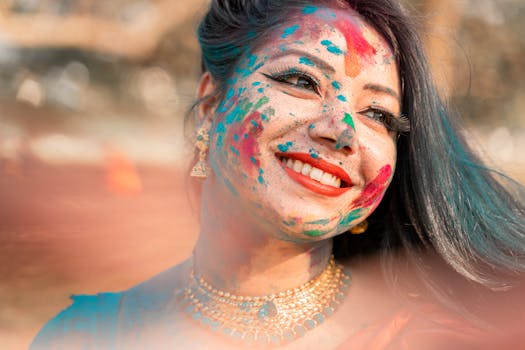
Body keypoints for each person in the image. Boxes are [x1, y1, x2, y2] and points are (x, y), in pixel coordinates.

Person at [31, 0, 525, 349]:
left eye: (378, 114)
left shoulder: (429, 340)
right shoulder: (86, 336)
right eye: (300, 80)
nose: (342, 131)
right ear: (209, 104)